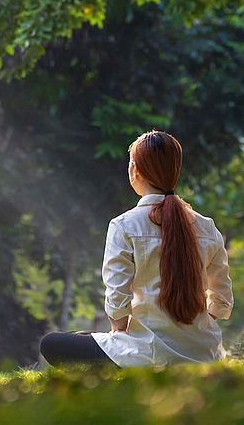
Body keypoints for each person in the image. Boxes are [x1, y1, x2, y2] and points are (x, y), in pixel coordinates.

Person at [39, 130, 233, 367]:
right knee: (83, 338)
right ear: (176, 171)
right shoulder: (207, 227)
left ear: (135, 171)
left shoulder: (124, 225)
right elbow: (221, 301)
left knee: (53, 343)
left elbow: (118, 313)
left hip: (145, 356)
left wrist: (126, 332)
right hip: (204, 355)